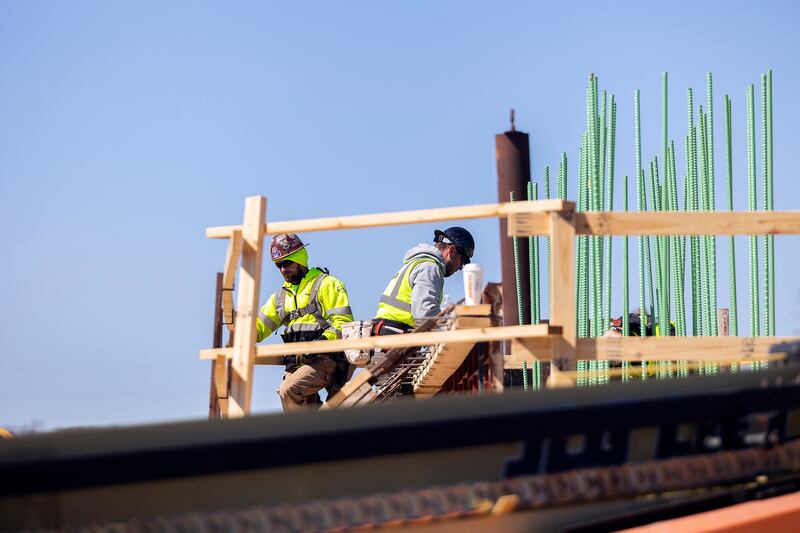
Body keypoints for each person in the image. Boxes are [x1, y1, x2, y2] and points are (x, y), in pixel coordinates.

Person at [256, 233, 354, 411]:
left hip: (326, 360)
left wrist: (320, 344)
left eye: (287, 263)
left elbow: (343, 323)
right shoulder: (280, 298)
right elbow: (259, 329)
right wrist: (239, 329)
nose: (283, 270)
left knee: (289, 390)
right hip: (297, 365)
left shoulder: (326, 284)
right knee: (304, 409)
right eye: (278, 265)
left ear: (300, 259)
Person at [372, 226, 475, 336]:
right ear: (452, 250)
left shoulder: (417, 264)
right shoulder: (429, 268)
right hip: (394, 335)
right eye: (462, 261)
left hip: (386, 333)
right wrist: (451, 331)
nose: (460, 267)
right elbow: (425, 315)